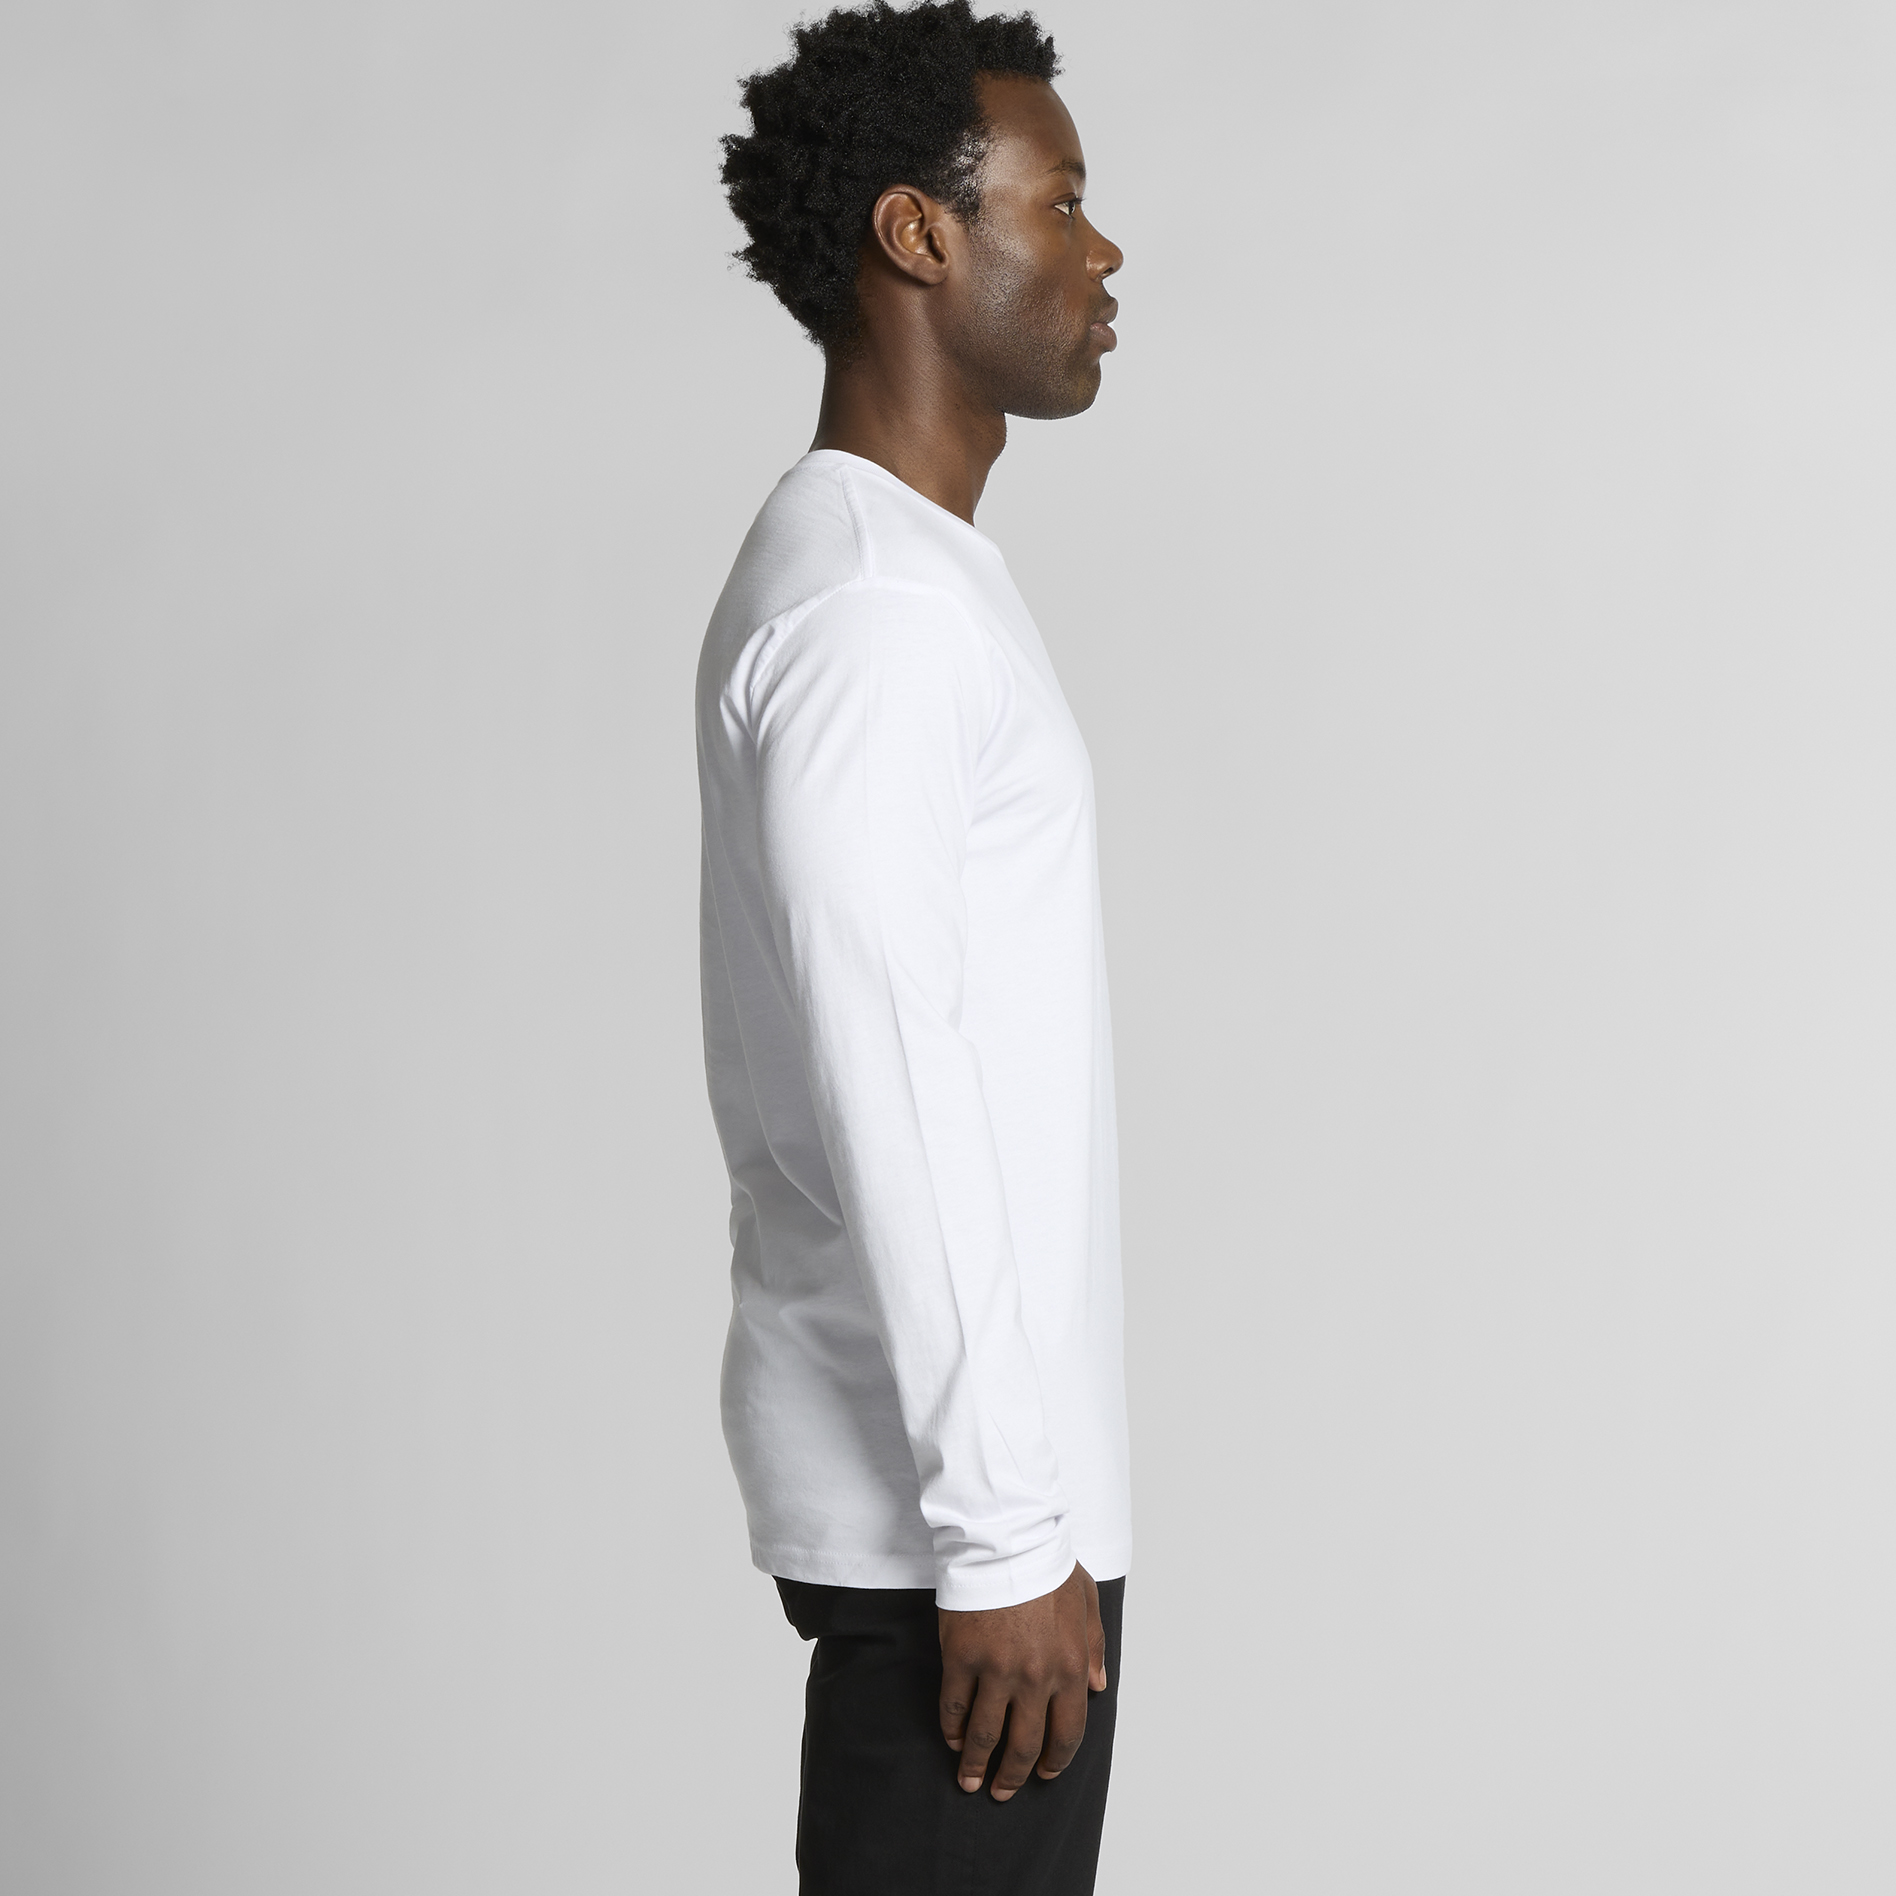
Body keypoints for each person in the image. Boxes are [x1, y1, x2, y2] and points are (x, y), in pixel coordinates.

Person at [697, 5, 1128, 1889]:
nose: (1104, 251)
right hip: (956, 1549)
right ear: (918, 233)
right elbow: (890, 1066)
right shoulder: (874, 616)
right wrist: (1003, 1535)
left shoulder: (908, 577)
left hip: (977, 1525)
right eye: (1064, 200)